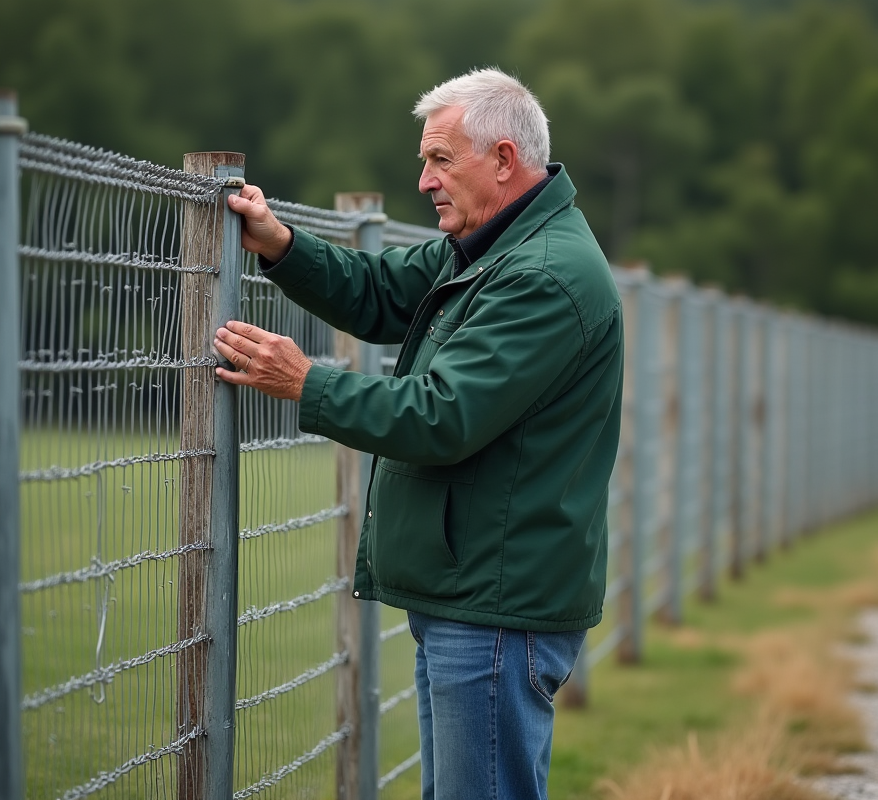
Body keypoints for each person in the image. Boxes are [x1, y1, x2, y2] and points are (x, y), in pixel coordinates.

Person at [214, 68, 623, 800]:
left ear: (502, 160)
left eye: (441, 160)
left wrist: (308, 383)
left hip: (497, 606)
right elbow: (377, 291)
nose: (426, 181)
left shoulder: (542, 275)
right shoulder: (493, 247)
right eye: (424, 162)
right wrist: (280, 246)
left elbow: (442, 416)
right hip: (476, 595)